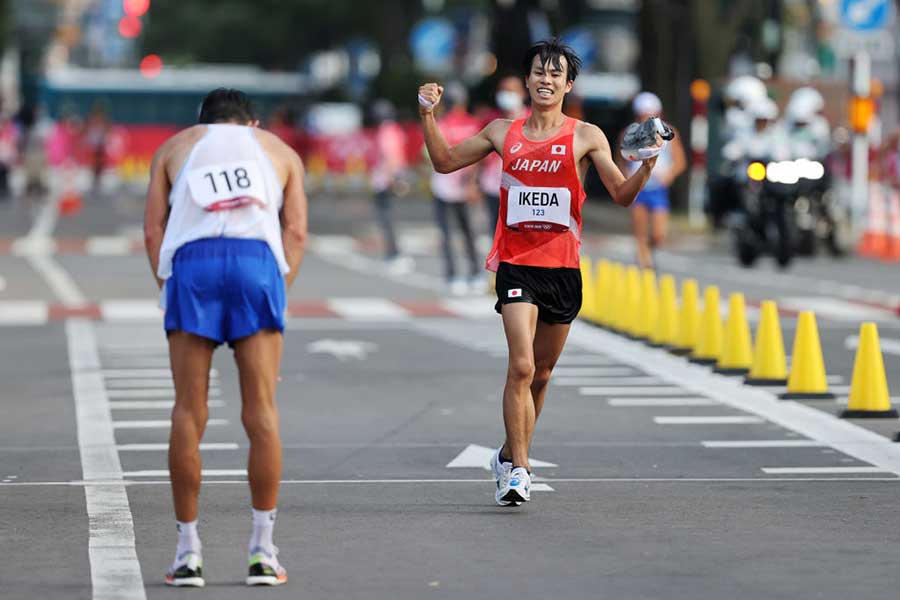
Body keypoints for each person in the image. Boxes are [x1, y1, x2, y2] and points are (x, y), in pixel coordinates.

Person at [417, 39, 660, 506]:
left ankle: (509, 450)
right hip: (516, 264)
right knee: (522, 366)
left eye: (555, 73)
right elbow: (445, 162)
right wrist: (428, 115)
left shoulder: (587, 136)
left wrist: (646, 169)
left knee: (542, 374)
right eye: (538, 72)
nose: (545, 80)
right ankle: (519, 472)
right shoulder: (500, 132)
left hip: (563, 268)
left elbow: (622, 194)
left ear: (568, 84)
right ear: (527, 80)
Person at [144, 88, 307, 587]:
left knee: (188, 411)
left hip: (193, 265)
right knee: (261, 412)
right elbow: (296, 232)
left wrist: (167, 287)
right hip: (256, 263)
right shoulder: (280, 151)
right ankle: (262, 550)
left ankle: (187, 553)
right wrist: (276, 294)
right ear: (252, 123)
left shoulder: (175, 147)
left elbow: (154, 229)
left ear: (203, 122)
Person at [616, 92, 686, 269]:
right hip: (638, 187)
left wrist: (668, 176)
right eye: (643, 114)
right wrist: (625, 179)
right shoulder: (629, 133)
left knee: (658, 235)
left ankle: (647, 250)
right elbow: (620, 160)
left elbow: (680, 161)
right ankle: (644, 264)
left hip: (658, 189)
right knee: (640, 232)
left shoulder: (669, 133)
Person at [428, 82, 483, 295]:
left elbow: (433, 152)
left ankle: (453, 276)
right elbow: (479, 158)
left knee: (448, 234)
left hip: (443, 186)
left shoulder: (441, 123)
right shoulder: (472, 124)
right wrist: (472, 183)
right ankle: (475, 274)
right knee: (470, 233)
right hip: (464, 187)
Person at [479, 75, 529, 236]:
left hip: (523, 188)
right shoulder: (491, 120)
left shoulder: (533, 119)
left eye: (511, 90)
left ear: (523, 93)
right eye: (503, 91)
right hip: (493, 187)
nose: (506, 94)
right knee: (496, 231)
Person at [369, 99, 414, 273]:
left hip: (385, 181)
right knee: (388, 219)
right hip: (390, 178)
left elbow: (391, 157)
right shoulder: (394, 130)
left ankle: (394, 253)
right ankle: (392, 253)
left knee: (387, 220)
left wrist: (390, 178)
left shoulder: (386, 132)